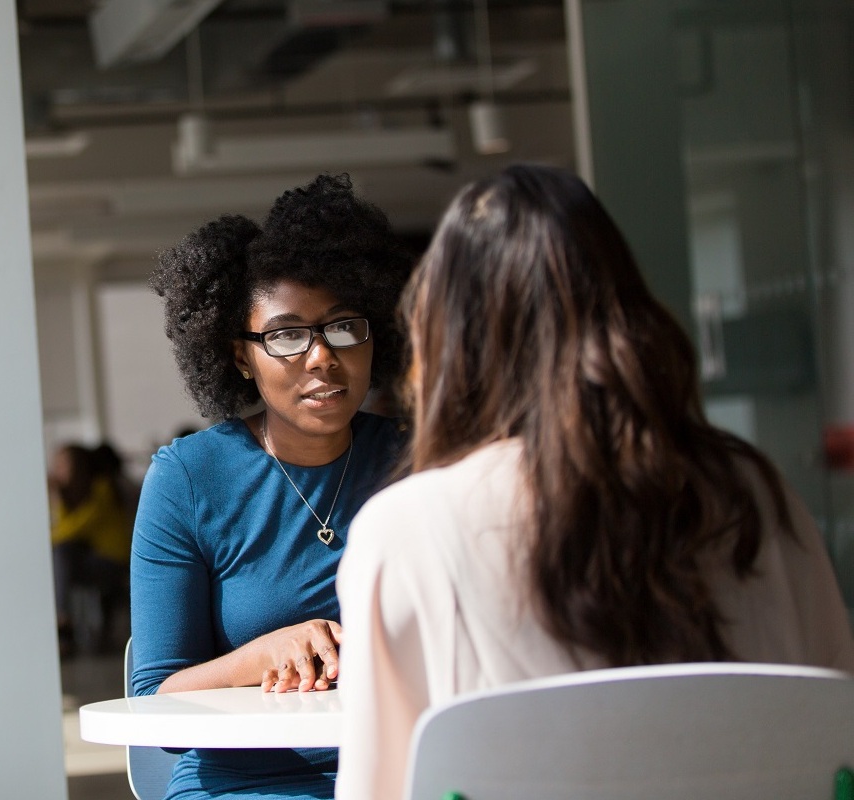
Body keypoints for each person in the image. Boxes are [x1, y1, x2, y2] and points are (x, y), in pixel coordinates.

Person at [334, 164, 854, 800]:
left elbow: (375, 789)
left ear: (449, 339)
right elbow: (836, 741)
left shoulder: (407, 531)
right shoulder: (755, 494)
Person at [132, 173, 413, 799]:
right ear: (239, 356)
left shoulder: (416, 459)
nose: (321, 356)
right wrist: (263, 656)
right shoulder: (189, 479)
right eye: (287, 335)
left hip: (402, 772)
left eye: (344, 327)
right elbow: (154, 704)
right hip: (244, 786)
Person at [50, 442, 132, 657]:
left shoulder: (101, 489)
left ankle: (62, 620)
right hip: (92, 560)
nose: (57, 471)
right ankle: (62, 621)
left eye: (62, 465)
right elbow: (65, 528)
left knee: (61, 554)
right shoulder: (72, 496)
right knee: (61, 555)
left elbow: (73, 529)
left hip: (112, 562)